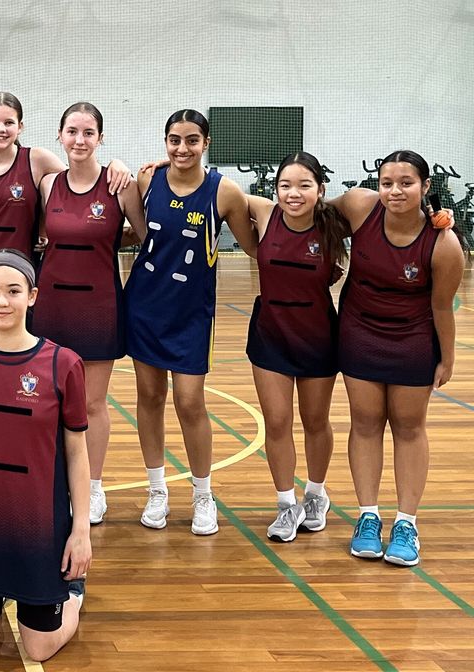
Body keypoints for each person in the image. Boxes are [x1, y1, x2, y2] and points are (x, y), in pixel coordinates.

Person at [0, 249, 90, 662]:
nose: (1, 301)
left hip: (38, 526)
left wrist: (80, 531)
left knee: (40, 648)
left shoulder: (63, 363)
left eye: (13, 291)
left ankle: (74, 593)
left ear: (32, 296)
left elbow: (77, 453)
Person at [125, 109, 256, 536]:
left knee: (189, 402)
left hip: (192, 313)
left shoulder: (225, 191)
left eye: (192, 140)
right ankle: (157, 489)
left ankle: (203, 494)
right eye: (175, 140)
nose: (182, 149)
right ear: (165, 142)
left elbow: (255, 247)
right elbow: (132, 228)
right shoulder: (147, 180)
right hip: (144, 305)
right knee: (149, 396)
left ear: (206, 143)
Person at [330, 150, 462, 566]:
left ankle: (406, 523)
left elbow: (442, 307)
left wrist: (447, 358)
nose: (395, 191)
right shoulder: (360, 205)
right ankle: (368, 517)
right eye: (387, 183)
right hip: (359, 333)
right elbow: (312, 207)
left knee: (408, 426)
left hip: (413, 339)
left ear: (425, 187)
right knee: (365, 422)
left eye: (406, 183)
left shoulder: (444, 244)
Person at [0, 91, 130, 335]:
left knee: (23, 348)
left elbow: (76, 184)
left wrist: (115, 164)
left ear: (20, 126)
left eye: (9, 122)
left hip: (24, 269)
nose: (1, 129)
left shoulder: (36, 159)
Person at [32, 102, 146, 525]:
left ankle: (93, 488)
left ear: (101, 138)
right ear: (60, 135)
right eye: (72, 132)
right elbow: (39, 234)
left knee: (93, 404)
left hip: (98, 306)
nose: (79, 140)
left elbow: (145, 235)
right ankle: (54, 483)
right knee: (49, 400)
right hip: (51, 305)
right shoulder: (48, 184)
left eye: (88, 133)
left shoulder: (120, 185)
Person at [241, 152, 348, 542]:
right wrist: (165, 166)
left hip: (317, 336)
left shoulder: (334, 222)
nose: (293, 193)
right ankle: (286, 504)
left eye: (304, 185)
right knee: (277, 421)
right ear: (275, 189)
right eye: (285, 185)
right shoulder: (264, 213)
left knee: (315, 421)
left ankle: (316, 494)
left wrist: (437, 218)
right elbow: (210, 188)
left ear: (320, 189)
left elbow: (388, 211)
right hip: (271, 335)